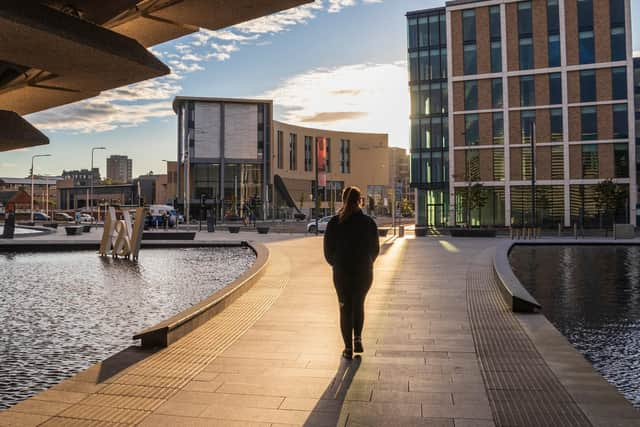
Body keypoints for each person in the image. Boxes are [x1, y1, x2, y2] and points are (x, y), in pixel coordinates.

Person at [323, 186, 379, 359]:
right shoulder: (368, 222)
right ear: (360, 200)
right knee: (359, 304)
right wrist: (368, 262)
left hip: (342, 272)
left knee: (345, 308)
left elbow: (327, 250)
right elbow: (375, 249)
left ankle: (348, 347)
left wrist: (336, 263)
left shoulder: (334, 222)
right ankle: (358, 338)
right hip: (363, 271)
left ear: (343, 199)